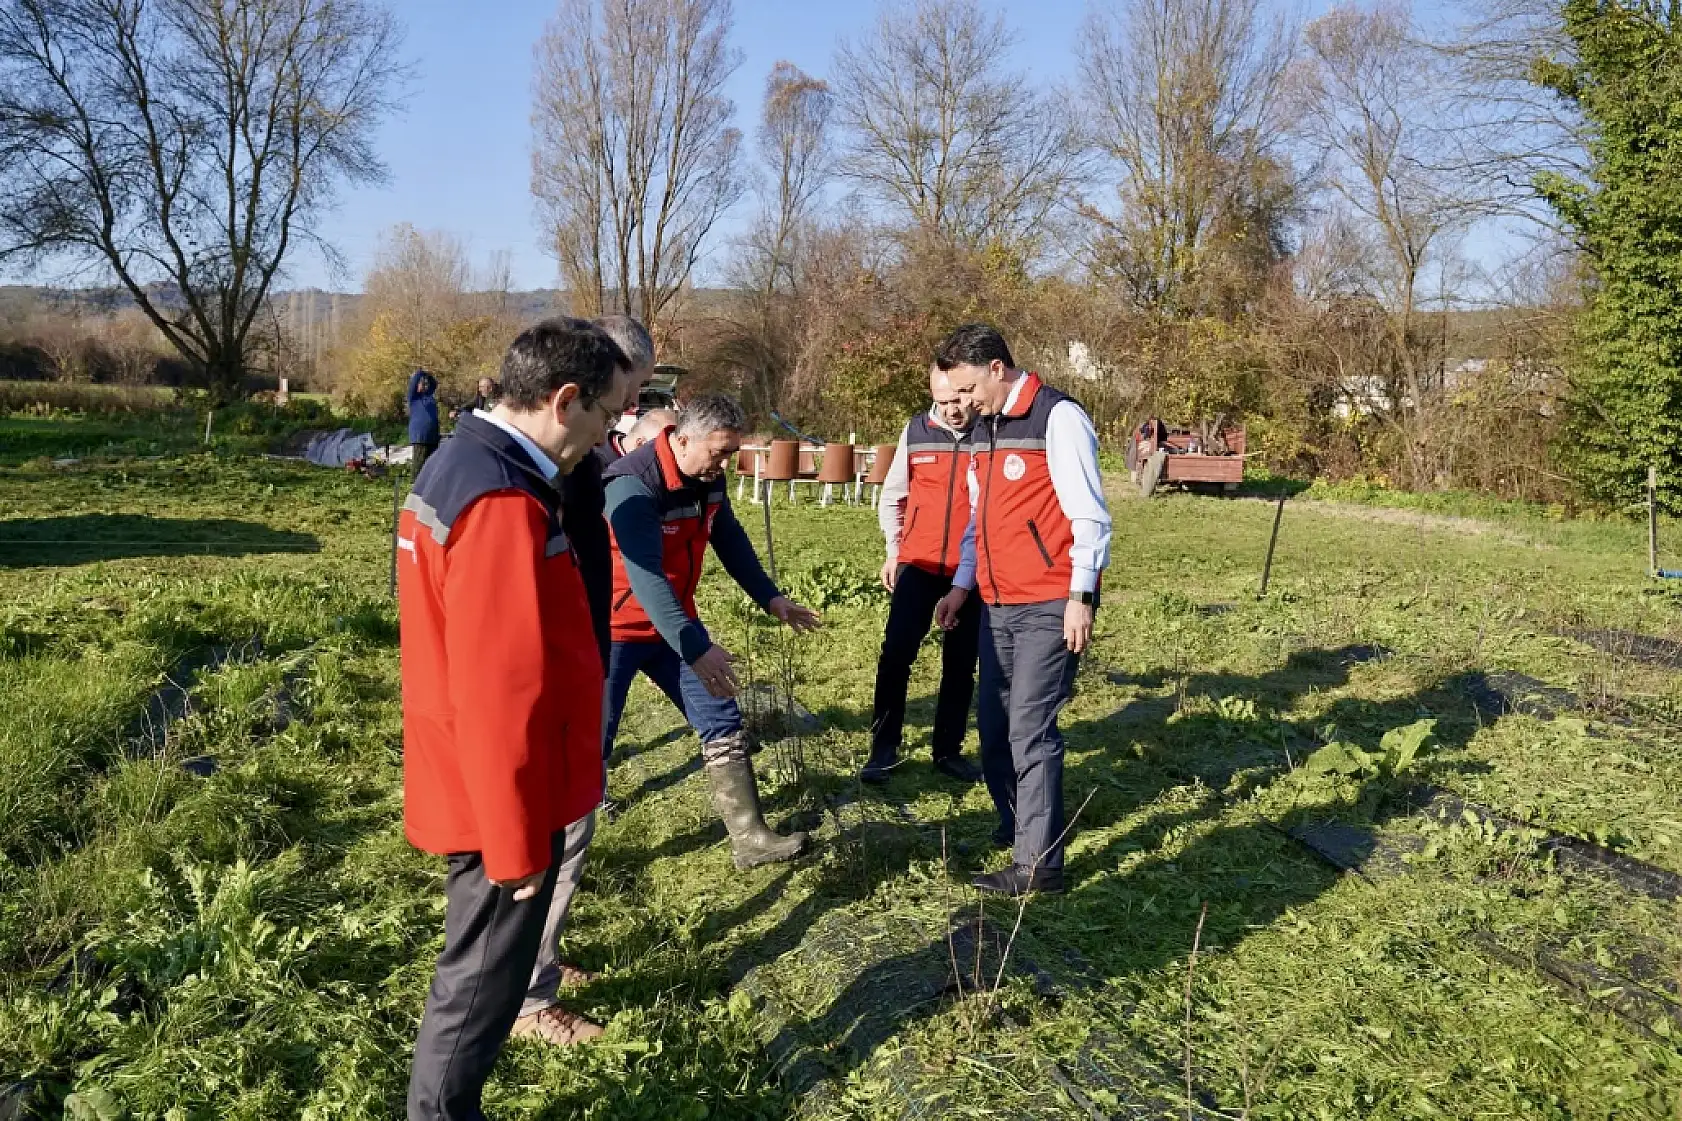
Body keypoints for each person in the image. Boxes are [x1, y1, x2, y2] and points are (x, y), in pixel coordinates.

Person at [397, 318, 630, 1119]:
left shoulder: (470, 465)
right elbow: (500, 691)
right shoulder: (500, 499)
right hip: (500, 799)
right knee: (480, 986)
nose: (606, 436)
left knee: (484, 974)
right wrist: (514, 840)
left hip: (482, 781)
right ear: (565, 401)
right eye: (604, 415)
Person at [602, 393, 822, 868]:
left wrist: (771, 598)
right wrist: (698, 647)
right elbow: (647, 579)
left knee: (721, 717)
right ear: (682, 440)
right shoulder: (631, 486)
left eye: (731, 453)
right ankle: (570, 846)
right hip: (613, 629)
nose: (724, 463)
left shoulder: (708, 480)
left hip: (675, 627)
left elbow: (730, 540)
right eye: (717, 452)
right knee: (596, 734)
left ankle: (750, 839)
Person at [515, 316, 656, 1049]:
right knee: (562, 827)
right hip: (559, 674)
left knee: (573, 822)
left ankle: (534, 963)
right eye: (617, 405)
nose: (620, 423)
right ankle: (529, 998)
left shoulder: (581, 459)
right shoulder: (543, 474)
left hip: (583, 657)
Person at [933, 324, 1112, 897]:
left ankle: (1040, 867)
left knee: (1030, 731)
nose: (959, 404)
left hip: (1051, 600)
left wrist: (1080, 598)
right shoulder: (986, 430)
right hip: (996, 600)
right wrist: (963, 586)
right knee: (993, 729)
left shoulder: (1057, 418)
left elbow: (1090, 517)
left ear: (995, 369)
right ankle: (1017, 829)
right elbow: (978, 521)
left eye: (964, 391)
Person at [859, 366, 984, 785]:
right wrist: (895, 551)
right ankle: (883, 748)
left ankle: (948, 750)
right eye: (943, 402)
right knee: (895, 656)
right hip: (919, 563)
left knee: (961, 663)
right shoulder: (915, 431)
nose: (952, 411)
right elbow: (893, 495)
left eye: (958, 401)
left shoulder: (989, 434)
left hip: (970, 573)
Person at [407, 368, 441, 470]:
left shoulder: (429, 396)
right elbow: (413, 384)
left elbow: (434, 384)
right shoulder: (414, 398)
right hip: (420, 437)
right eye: (420, 383)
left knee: (432, 465)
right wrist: (420, 372)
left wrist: (427, 375)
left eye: (424, 384)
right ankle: (416, 484)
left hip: (432, 436)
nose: (423, 385)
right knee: (419, 466)